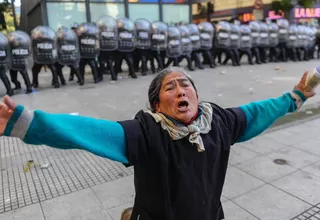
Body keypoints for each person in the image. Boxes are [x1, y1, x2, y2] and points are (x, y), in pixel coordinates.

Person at [0, 67, 315, 220]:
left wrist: (296, 97)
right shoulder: (147, 132)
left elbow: (258, 112)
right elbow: (89, 131)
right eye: (170, 87)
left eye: (185, 84)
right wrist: (26, 123)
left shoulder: (218, 121)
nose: (180, 90)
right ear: (158, 105)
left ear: (195, 94)